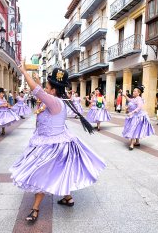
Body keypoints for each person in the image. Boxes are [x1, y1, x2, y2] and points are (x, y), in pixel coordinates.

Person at [11, 64, 106, 222]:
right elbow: (41, 91)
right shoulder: (55, 100)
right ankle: (68, 198)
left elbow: (37, 90)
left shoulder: (54, 102)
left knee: (42, 173)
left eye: (47, 86)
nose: (45, 88)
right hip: (52, 142)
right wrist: (34, 78)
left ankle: (35, 209)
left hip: (53, 146)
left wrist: (24, 73)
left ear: (53, 89)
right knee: (60, 172)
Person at [122, 85, 155, 150]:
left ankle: (132, 144)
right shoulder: (135, 98)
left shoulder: (139, 99)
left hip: (137, 117)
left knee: (133, 128)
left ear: (138, 93)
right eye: (133, 91)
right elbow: (130, 100)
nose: (133, 92)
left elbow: (139, 108)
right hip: (134, 116)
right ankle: (137, 142)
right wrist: (125, 96)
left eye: (135, 91)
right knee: (136, 128)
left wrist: (132, 112)